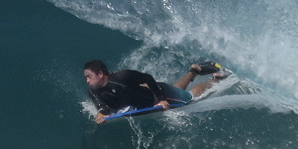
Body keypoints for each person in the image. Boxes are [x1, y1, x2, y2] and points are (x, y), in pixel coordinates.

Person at [84, 60, 230, 124]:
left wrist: (161, 99)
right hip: (145, 97)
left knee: (189, 98)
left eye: (89, 77)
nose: (87, 81)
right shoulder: (93, 90)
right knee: (177, 89)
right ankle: (195, 70)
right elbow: (101, 106)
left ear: (101, 74)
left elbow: (148, 78)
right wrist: (101, 113)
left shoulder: (122, 77)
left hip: (157, 94)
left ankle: (216, 79)